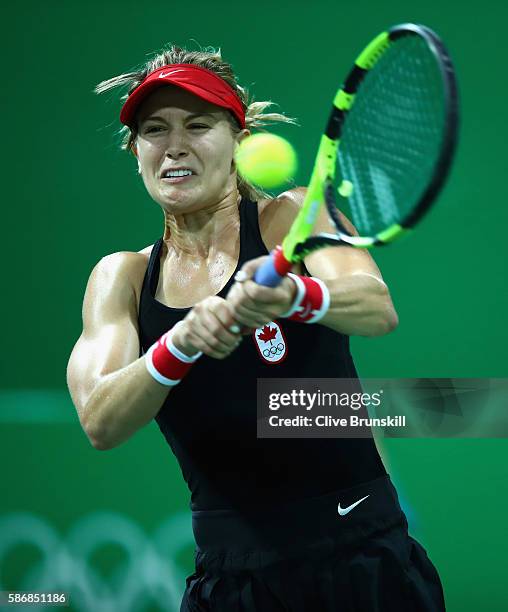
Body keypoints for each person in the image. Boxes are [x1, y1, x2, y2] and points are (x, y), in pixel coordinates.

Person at [66, 45, 446, 611]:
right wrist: (181, 344)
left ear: (238, 139)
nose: (174, 146)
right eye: (154, 130)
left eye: (198, 125)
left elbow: (375, 306)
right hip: (231, 582)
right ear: (136, 151)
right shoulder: (121, 277)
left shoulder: (291, 217)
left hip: (362, 559)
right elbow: (101, 419)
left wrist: (295, 294)